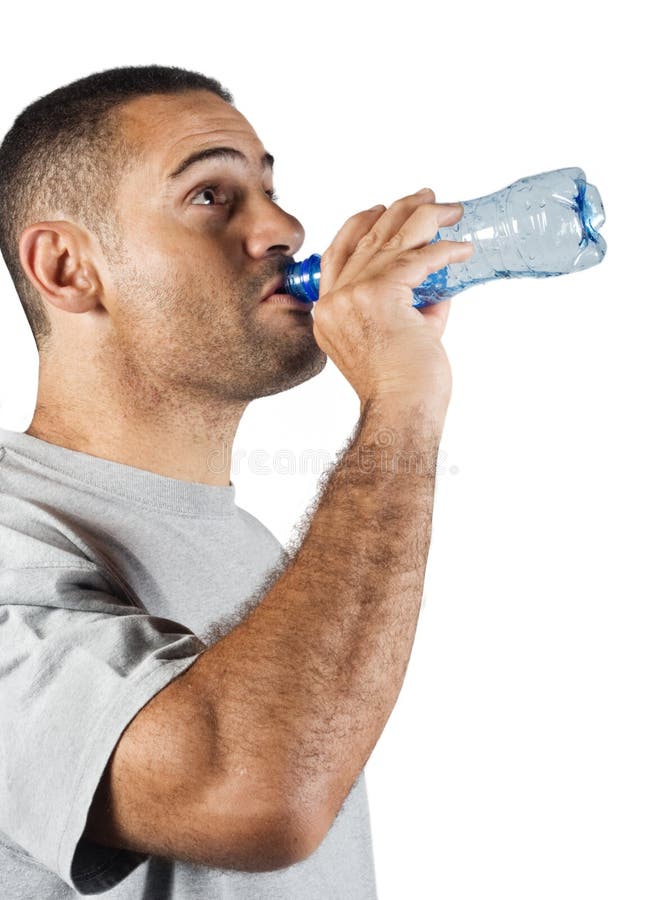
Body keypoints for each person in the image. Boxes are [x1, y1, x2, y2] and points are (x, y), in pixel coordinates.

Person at [0, 65, 473, 898]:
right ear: (68, 268)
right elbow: (253, 796)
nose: (284, 227)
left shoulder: (253, 548)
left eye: (270, 189)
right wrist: (400, 404)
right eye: (211, 196)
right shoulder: (13, 541)